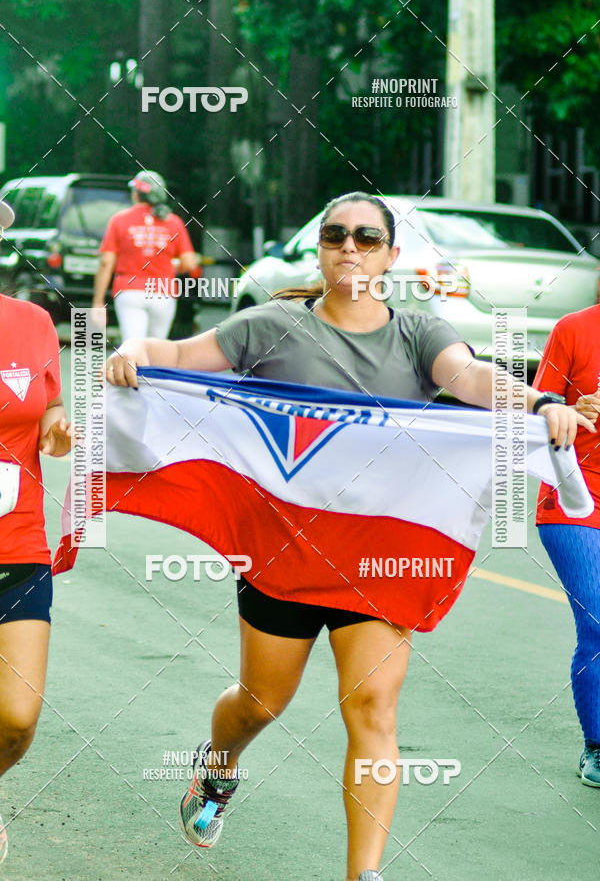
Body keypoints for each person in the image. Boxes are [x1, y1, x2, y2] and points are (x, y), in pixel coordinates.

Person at [105, 192, 592, 881]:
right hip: (281, 559)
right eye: (336, 234)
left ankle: (363, 873)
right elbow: (178, 352)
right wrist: (132, 353)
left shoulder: (421, 332)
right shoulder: (270, 324)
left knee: (373, 706)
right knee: (259, 703)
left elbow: (470, 376)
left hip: (379, 561)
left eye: (367, 237)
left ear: (391, 256)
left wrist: (538, 401)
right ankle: (217, 769)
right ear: (320, 247)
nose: (350, 247)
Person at [0, 199, 73, 863]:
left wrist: (54, 428)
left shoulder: (31, 322)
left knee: (18, 719)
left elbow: (48, 402)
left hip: (19, 546)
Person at [533, 304, 600, 787]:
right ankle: (597, 747)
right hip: (577, 499)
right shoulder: (574, 330)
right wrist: (572, 413)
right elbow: (536, 417)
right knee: (598, 624)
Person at [92, 170, 198, 341]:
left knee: (133, 347)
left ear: (136, 194)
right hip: (163, 293)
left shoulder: (119, 220)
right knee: (155, 349)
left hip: (129, 292)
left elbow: (106, 262)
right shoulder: (173, 222)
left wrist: (98, 302)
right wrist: (170, 265)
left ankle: (134, 368)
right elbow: (189, 263)